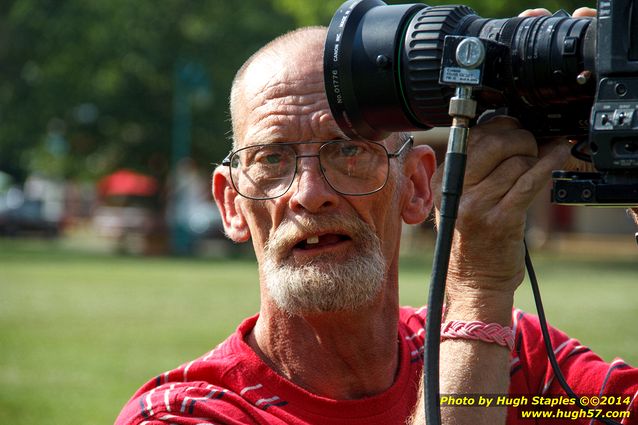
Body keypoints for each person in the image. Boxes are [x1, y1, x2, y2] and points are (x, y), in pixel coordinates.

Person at [116, 19, 638, 425]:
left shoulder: (523, 363)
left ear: (416, 186)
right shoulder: (184, 411)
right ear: (231, 204)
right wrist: (478, 288)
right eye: (272, 160)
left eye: (348, 151)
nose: (309, 194)